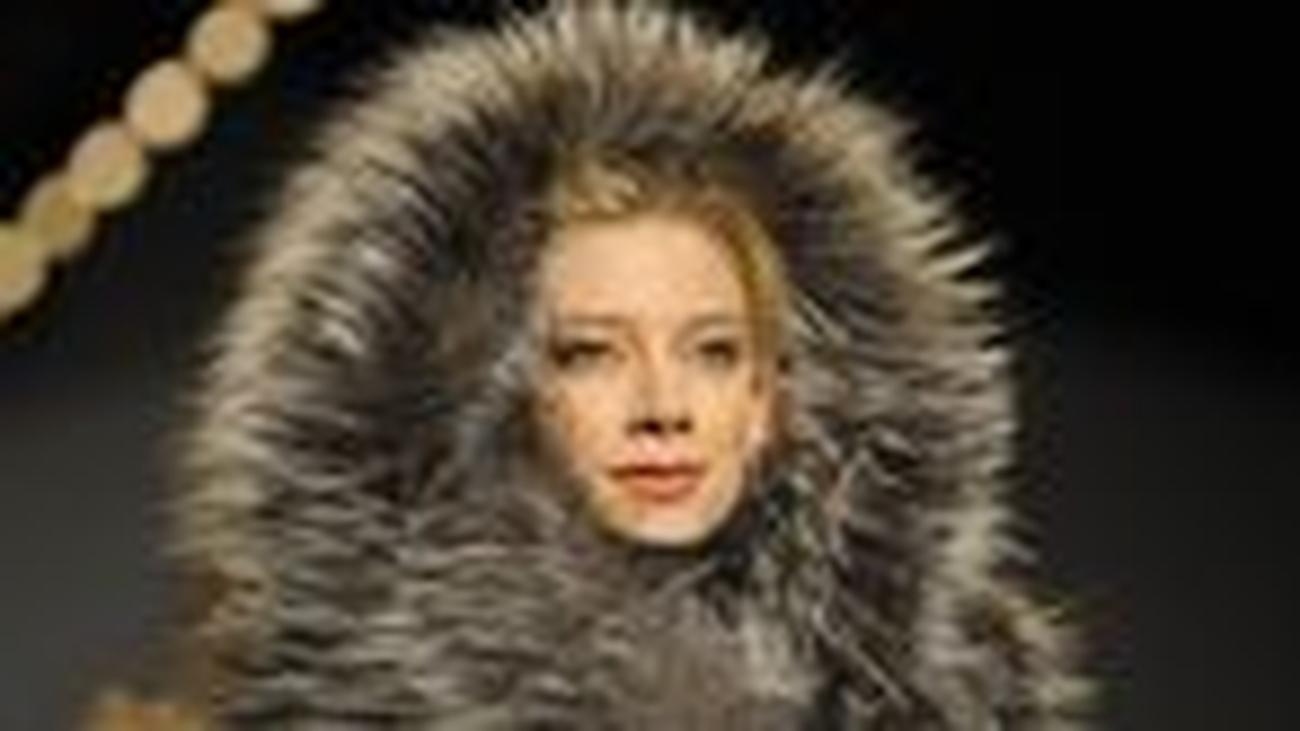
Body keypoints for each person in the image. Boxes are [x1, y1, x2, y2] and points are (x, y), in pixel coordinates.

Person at [94, 2, 1088, 728]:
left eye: (712, 351)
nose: (662, 407)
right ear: (499, 394)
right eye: (589, 353)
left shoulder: (958, 698)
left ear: (770, 397)